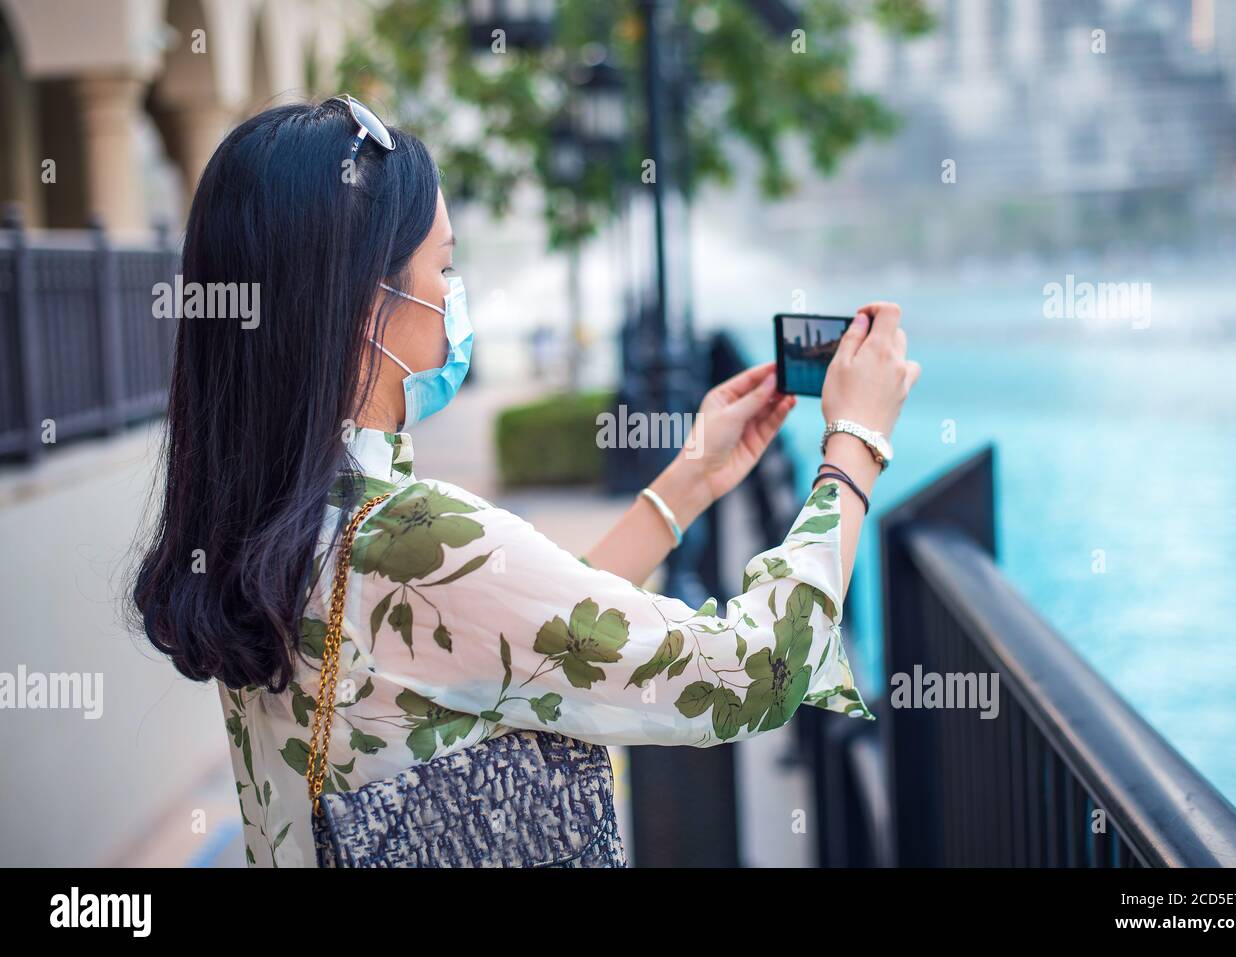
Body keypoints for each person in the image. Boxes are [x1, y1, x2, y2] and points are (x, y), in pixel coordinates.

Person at [132, 97, 920, 867]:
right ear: (371, 303)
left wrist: (687, 481)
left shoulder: (269, 525)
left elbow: (524, 632)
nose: (454, 292)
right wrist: (856, 441)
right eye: (444, 265)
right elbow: (751, 673)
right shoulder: (415, 545)